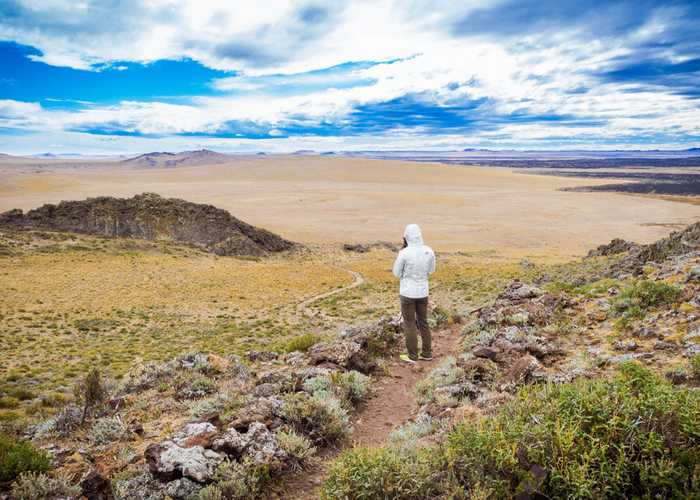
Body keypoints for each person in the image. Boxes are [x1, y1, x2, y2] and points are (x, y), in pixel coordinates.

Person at [392, 223, 436, 363]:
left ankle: (412, 355)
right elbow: (431, 271)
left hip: (407, 293)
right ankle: (427, 353)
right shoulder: (429, 251)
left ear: (406, 237)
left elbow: (396, 273)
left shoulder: (404, 253)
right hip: (423, 292)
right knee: (423, 322)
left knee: (409, 323)